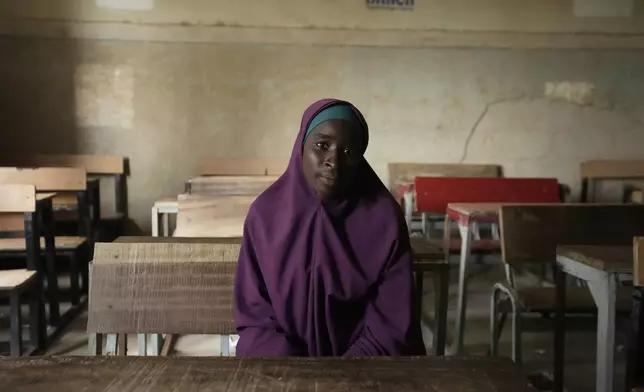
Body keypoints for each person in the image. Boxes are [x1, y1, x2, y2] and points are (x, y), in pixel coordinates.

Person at [233, 98, 426, 357]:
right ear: (301, 147)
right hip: (281, 368)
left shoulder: (384, 221)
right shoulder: (265, 215)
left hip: (363, 369)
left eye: (348, 152)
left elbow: (391, 325)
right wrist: (291, 372)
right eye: (322, 146)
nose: (333, 160)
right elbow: (256, 314)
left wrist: (341, 377)